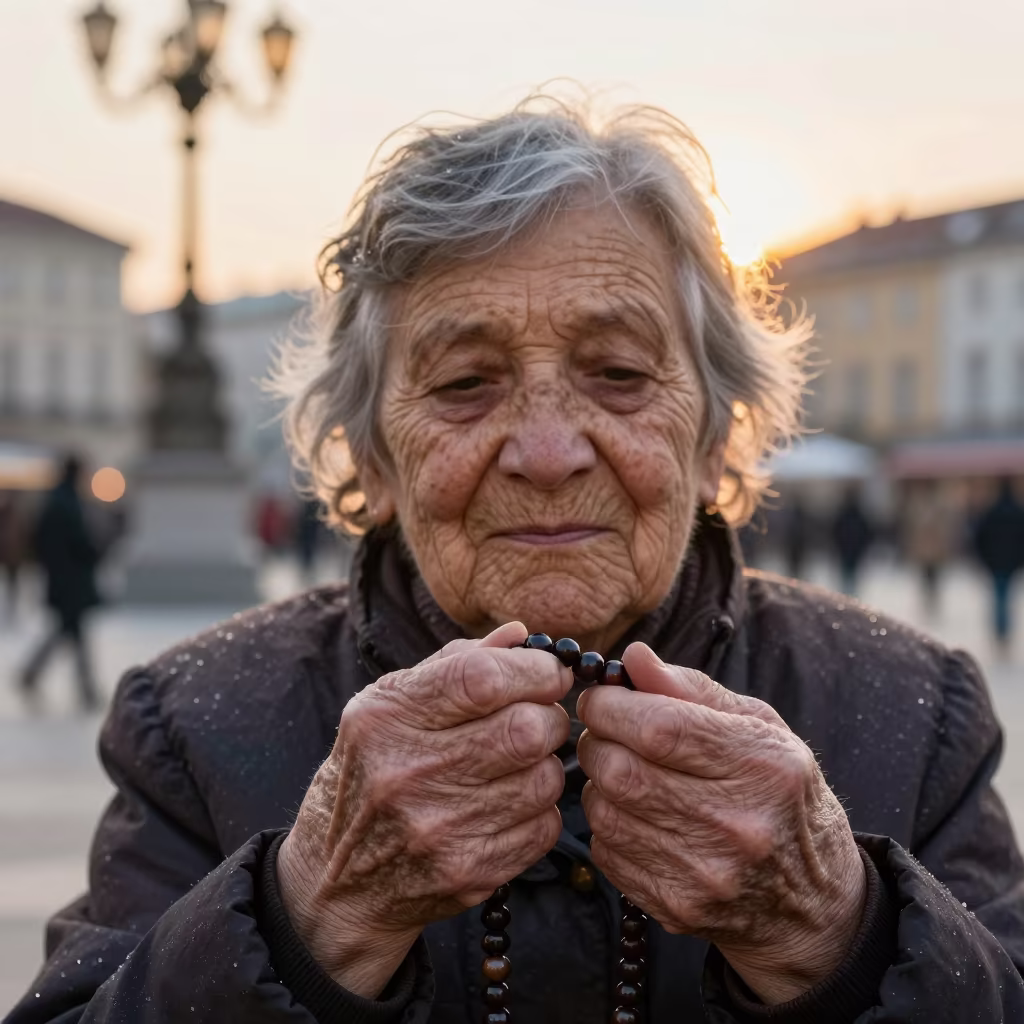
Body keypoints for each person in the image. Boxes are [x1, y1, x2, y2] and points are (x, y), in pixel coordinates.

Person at [11, 101, 1024, 1023]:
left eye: (619, 374)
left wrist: (836, 932)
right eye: (463, 383)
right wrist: (306, 913)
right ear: (371, 456)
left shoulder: (913, 712)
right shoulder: (190, 725)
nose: (546, 451)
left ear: (718, 434)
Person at [17, 454, 101, 710]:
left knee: (68, 631)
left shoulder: (58, 499)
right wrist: (91, 551)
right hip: (69, 579)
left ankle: (34, 673)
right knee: (72, 631)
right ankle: (85, 688)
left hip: (64, 578)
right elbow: (74, 541)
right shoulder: (65, 502)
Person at [972, 477, 1024, 652]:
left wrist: (984, 559)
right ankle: (1004, 629)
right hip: (1010, 562)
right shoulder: (1018, 511)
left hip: (995, 561)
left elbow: (979, 537)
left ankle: (1000, 629)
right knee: (1006, 596)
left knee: (999, 596)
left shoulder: (991, 512)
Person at [901, 480, 959, 617]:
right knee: (925, 577)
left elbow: (946, 529)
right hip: (924, 550)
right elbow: (910, 529)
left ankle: (932, 602)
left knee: (934, 578)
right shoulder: (918, 506)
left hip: (935, 550)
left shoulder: (939, 506)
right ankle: (927, 603)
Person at [830, 484, 875, 595]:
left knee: (847, 572)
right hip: (852, 549)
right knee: (850, 572)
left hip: (848, 548)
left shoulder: (846, 514)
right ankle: (849, 592)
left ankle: (847, 592)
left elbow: (835, 531)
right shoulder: (857, 514)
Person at [0, 489, 27, 621]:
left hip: (12, 556)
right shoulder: (7, 516)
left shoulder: (15, 517)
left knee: (12, 583)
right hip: (9, 554)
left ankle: (11, 607)